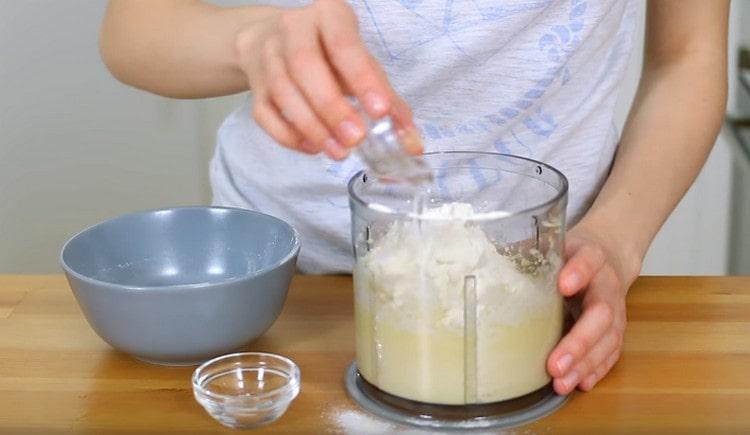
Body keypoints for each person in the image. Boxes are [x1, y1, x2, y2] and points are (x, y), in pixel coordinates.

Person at [100, 0, 729, 396]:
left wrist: (616, 240)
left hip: (539, 292)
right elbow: (134, 28)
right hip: (282, 298)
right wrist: (251, 41)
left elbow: (688, 55)